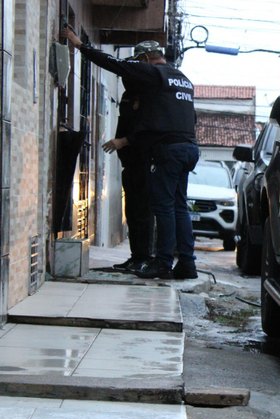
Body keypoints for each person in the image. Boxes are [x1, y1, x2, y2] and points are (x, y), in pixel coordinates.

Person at [65, 27, 199, 279]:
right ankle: (187, 264)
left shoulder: (153, 73)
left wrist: (81, 46)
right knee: (180, 207)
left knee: (164, 208)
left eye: (139, 62)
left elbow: (115, 64)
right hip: (189, 148)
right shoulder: (182, 79)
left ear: (146, 59)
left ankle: (162, 263)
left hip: (168, 151)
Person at [106, 83, 155, 273]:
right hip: (130, 163)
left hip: (145, 162)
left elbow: (146, 131)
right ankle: (136, 256)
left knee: (144, 213)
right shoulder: (128, 95)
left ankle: (145, 257)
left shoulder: (149, 95)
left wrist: (123, 142)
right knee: (132, 213)